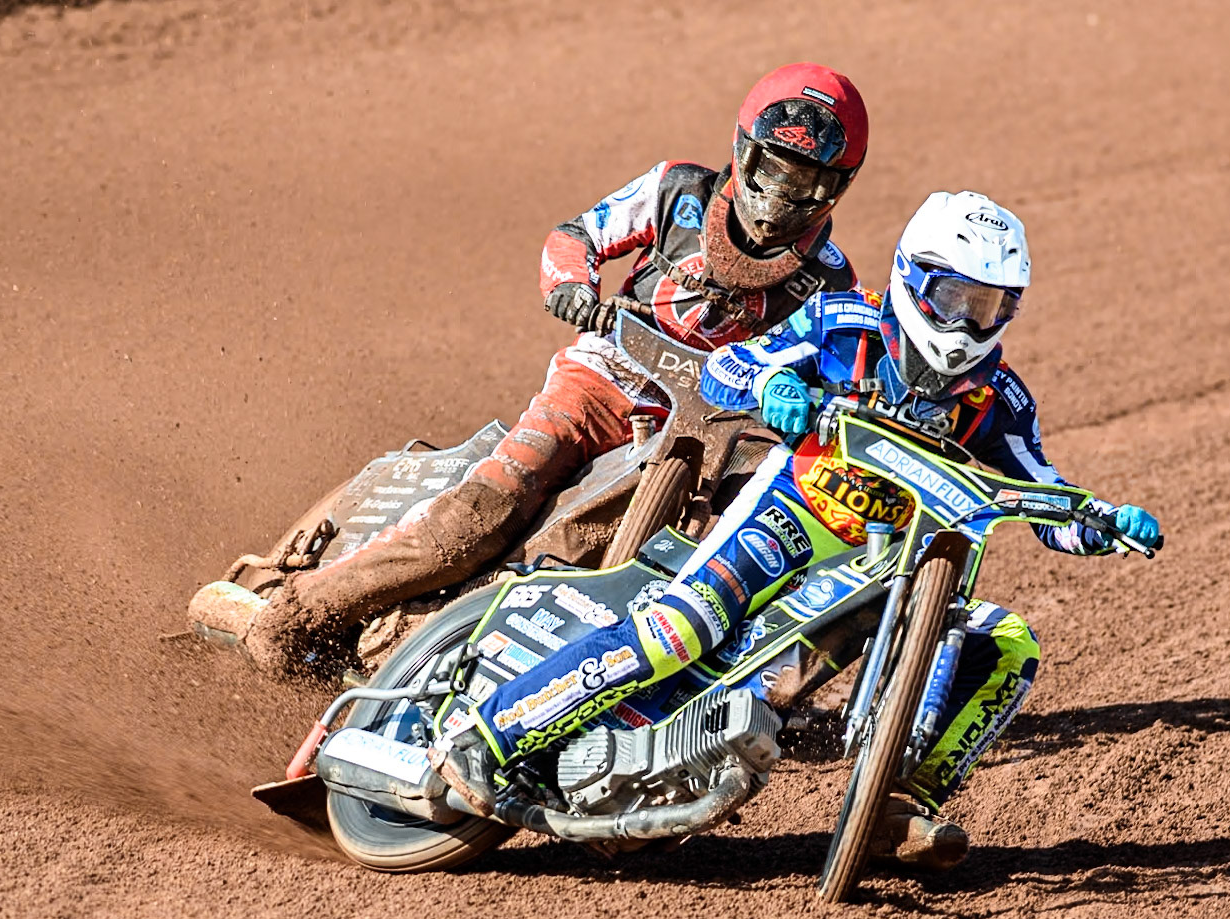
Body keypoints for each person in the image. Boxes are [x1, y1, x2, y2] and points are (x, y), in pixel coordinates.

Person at [431, 190, 1162, 871]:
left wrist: (1098, 523)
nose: (970, 322)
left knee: (1006, 644)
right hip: (791, 513)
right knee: (684, 627)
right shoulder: (844, 322)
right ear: (913, 280)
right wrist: (775, 385)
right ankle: (490, 733)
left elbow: (1045, 493)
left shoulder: (999, 400)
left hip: (885, 566)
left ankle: (896, 806)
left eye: (991, 305)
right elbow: (727, 370)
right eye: (955, 298)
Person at [208, 64, 869, 673]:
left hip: (702, 436)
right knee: (478, 519)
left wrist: (804, 392)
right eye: (774, 167)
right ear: (743, 149)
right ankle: (297, 615)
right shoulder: (678, 191)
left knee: (692, 558)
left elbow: (836, 370)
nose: (782, 195)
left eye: (805, 180)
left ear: (834, 188)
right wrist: (570, 284)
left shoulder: (831, 281)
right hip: (603, 380)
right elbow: (575, 236)